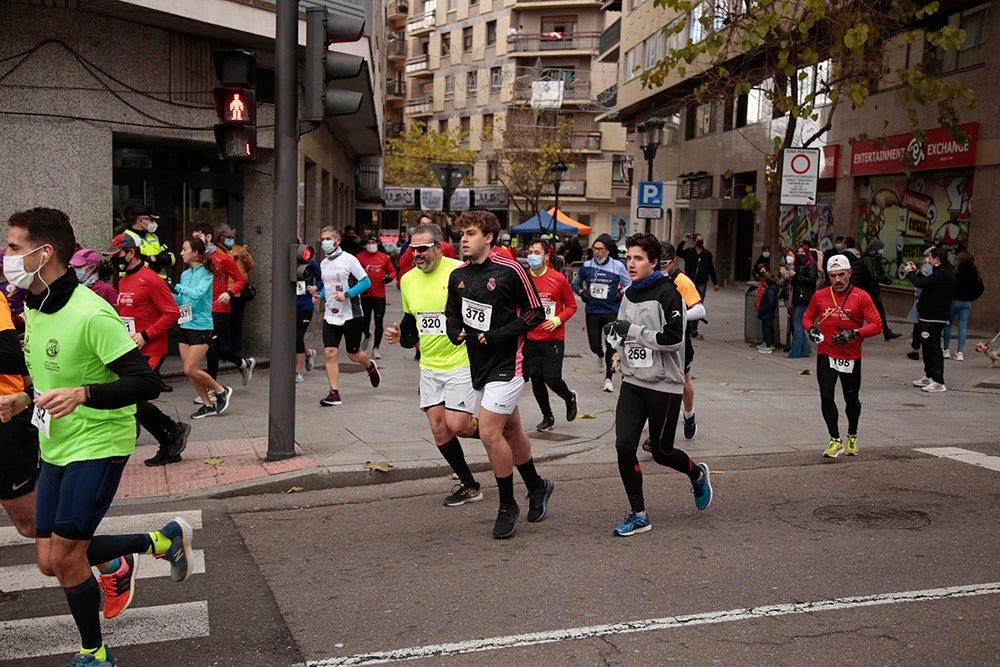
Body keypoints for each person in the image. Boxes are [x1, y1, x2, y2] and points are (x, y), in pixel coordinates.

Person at [0, 207, 192, 666]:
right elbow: (48, 374)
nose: (5, 255)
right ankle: (158, 542)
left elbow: (147, 383)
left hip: (100, 442)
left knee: (67, 559)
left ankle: (95, 653)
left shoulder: (91, 313)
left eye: (12, 247)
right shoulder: (34, 304)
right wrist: (25, 399)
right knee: (49, 561)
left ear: (43, 254)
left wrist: (84, 394)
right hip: (56, 443)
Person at [445, 210, 553, 539]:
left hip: (509, 362)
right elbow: (451, 311)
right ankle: (537, 486)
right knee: (512, 431)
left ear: (489, 238)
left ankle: (508, 505)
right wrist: (454, 330)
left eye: (471, 233)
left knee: (491, 433)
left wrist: (499, 334)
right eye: (462, 234)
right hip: (476, 363)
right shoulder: (458, 275)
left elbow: (535, 312)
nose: (464, 239)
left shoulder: (510, 271)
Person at [606, 233, 712, 537]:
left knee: (662, 451)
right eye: (628, 257)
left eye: (639, 258)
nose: (631, 263)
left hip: (664, 385)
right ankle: (639, 514)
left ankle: (696, 473)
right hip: (633, 380)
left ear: (654, 263)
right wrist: (615, 341)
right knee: (624, 446)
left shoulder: (668, 292)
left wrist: (634, 331)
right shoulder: (628, 294)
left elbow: (673, 339)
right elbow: (623, 331)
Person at [384, 222, 484, 506]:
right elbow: (411, 324)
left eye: (423, 249)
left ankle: (498, 437)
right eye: (413, 249)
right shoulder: (408, 280)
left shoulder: (460, 272)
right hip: (429, 364)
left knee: (460, 424)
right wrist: (399, 334)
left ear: (439, 247)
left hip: (461, 360)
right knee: (439, 428)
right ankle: (469, 484)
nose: (417, 254)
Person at [104, 236, 190, 465]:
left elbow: (172, 313)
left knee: (134, 399)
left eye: (117, 255)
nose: (115, 261)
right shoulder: (123, 281)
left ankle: (172, 432)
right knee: (132, 401)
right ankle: (172, 437)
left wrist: (145, 335)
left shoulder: (152, 280)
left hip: (151, 348)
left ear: (131, 253)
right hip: (130, 349)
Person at [802, 254, 883, 457]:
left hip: (851, 355)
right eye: (833, 276)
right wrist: (811, 329)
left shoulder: (861, 296)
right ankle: (835, 439)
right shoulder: (820, 295)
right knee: (826, 395)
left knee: (851, 398)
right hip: (826, 353)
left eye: (841, 275)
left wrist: (854, 333)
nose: (837, 280)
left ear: (850, 274)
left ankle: (852, 435)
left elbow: (877, 325)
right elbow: (807, 317)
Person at [315, 226, 381, 406]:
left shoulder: (349, 260)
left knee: (353, 355)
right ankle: (334, 393)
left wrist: (347, 294)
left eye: (328, 238)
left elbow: (365, 282)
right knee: (329, 353)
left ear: (337, 241)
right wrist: (318, 296)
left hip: (351, 315)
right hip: (330, 316)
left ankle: (369, 366)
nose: (325, 242)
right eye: (323, 239)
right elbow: (327, 286)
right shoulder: (323, 263)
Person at [174, 237, 233, 418]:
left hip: (201, 326)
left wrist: (175, 286)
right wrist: (166, 293)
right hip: (185, 324)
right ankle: (207, 405)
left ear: (196, 253)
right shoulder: (185, 274)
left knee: (190, 369)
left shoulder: (207, 274)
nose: (181, 253)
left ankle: (221, 390)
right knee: (191, 372)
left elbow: (198, 295)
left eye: (185, 249)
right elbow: (183, 300)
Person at [524, 237, 578, 432]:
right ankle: (547, 416)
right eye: (530, 252)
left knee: (552, 378)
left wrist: (557, 320)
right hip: (530, 338)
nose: (532, 256)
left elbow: (572, 306)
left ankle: (569, 397)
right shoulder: (523, 279)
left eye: (537, 253)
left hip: (553, 338)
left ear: (546, 256)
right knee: (536, 378)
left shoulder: (558, 278)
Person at [191, 224, 256, 388]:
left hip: (218, 309)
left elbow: (241, 279)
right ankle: (242, 363)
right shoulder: (195, 259)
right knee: (214, 347)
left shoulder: (223, 258)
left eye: (197, 237)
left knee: (212, 347)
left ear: (208, 238)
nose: (194, 241)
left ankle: (212, 387)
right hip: (201, 309)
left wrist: (229, 293)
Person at [0, 292, 38, 538]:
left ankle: (113, 564)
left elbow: (11, 356)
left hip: (6, 415)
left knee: (31, 524)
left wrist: (28, 390)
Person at [573, 233, 631, 393]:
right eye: (594, 249)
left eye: (600, 249)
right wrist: (580, 292)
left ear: (607, 250)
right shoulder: (586, 266)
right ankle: (599, 354)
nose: (596, 252)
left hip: (611, 312)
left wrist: (621, 294)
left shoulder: (617, 266)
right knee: (594, 345)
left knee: (612, 346)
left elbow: (629, 284)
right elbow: (575, 282)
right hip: (592, 311)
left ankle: (608, 379)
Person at [906, 247, 956, 393]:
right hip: (929, 315)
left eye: (930, 258)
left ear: (937, 259)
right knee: (927, 347)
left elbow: (922, 283)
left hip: (934, 317)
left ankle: (938, 381)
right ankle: (929, 375)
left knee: (932, 348)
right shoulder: (942, 271)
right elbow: (926, 280)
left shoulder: (943, 274)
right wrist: (916, 272)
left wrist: (910, 273)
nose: (928, 260)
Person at [216, 224, 255, 357]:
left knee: (237, 322)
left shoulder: (237, 248)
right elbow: (220, 264)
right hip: (225, 291)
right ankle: (223, 351)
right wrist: (234, 256)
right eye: (228, 237)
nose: (231, 240)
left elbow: (250, 266)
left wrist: (245, 256)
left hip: (239, 291)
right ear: (221, 237)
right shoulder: (217, 249)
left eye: (233, 237)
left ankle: (236, 349)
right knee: (224, 324)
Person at [358, 233, 396, 360]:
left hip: (379, 295)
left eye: (373, 243)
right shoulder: (359, 258)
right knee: (364, 321)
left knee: (379, 321)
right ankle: (367, 334)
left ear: (377, 244)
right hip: (364, 295)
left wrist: (389, 278)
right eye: (368, 243)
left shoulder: (383, 257)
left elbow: (392, 271)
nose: (371, 245)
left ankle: (376, 348)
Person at [112, 205, 175, 281]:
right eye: (150, 220)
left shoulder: (154, 237)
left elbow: (171, 258)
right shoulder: (125, 238)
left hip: (159, 282)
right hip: (135, 281)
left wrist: (155, 259)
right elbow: (127, 262)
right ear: (140, 220)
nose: (153, 223)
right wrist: (156, 261)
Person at [676, 232, 719, 339]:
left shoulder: (707, 254)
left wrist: (715, 283)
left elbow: (711, 269)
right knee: (687, 305)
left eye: (701, 240)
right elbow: (678, 253)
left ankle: (693, 328)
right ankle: (687, 325)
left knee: (697, 305)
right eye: (698, 240)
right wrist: (684, 240)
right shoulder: (689, 252)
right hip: (689, 283)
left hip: (701, 283)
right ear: (694, 242)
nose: (700, 242)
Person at [943, 250, 984, 361]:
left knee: (948, 324)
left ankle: (946, 350)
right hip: (966, 302)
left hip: (953, 301)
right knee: (963, 327)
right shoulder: (975, 272)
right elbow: (980, 288)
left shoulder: (955, 271)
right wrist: (971, 297)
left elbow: (948, 285)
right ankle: (960, 352)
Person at [861, 238, 902, 340]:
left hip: (872, 289)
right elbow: (872, 274)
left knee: (879, 311)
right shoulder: (867, 258)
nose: (882, 250)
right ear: (876, 248)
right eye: (881, 248)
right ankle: (859, 333)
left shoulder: (875, 257)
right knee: (863, 312)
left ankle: (886, 332)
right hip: (868, 289)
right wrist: (884, 280)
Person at [784, 243, 818, 359]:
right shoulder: (799, 265)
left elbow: (810, 280)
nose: (800, 255)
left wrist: (797, 275)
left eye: (802, 252)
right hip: (798, 297)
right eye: (798, 252)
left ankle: (795, 351)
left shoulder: (811, 265)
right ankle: (805, 349)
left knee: (798, 324)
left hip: (805, 298)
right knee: (798, 323)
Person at [294, 241, 322, 383]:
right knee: (292, 337)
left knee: (298, 337)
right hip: (288, 307)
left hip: (305, 306)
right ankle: (308, 353)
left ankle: (298, 371)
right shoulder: (284, 262)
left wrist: (315, 287)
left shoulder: (310, 262)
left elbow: (322, 279)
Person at [757, 272, 780, 354]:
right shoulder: (771, 290)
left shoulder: (770, 291)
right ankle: (769, 343)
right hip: (767, 313)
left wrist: (763, 309)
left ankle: (768, 345)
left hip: (767, 313)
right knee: (768, 329)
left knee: (767, 329)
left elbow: (771, 303)